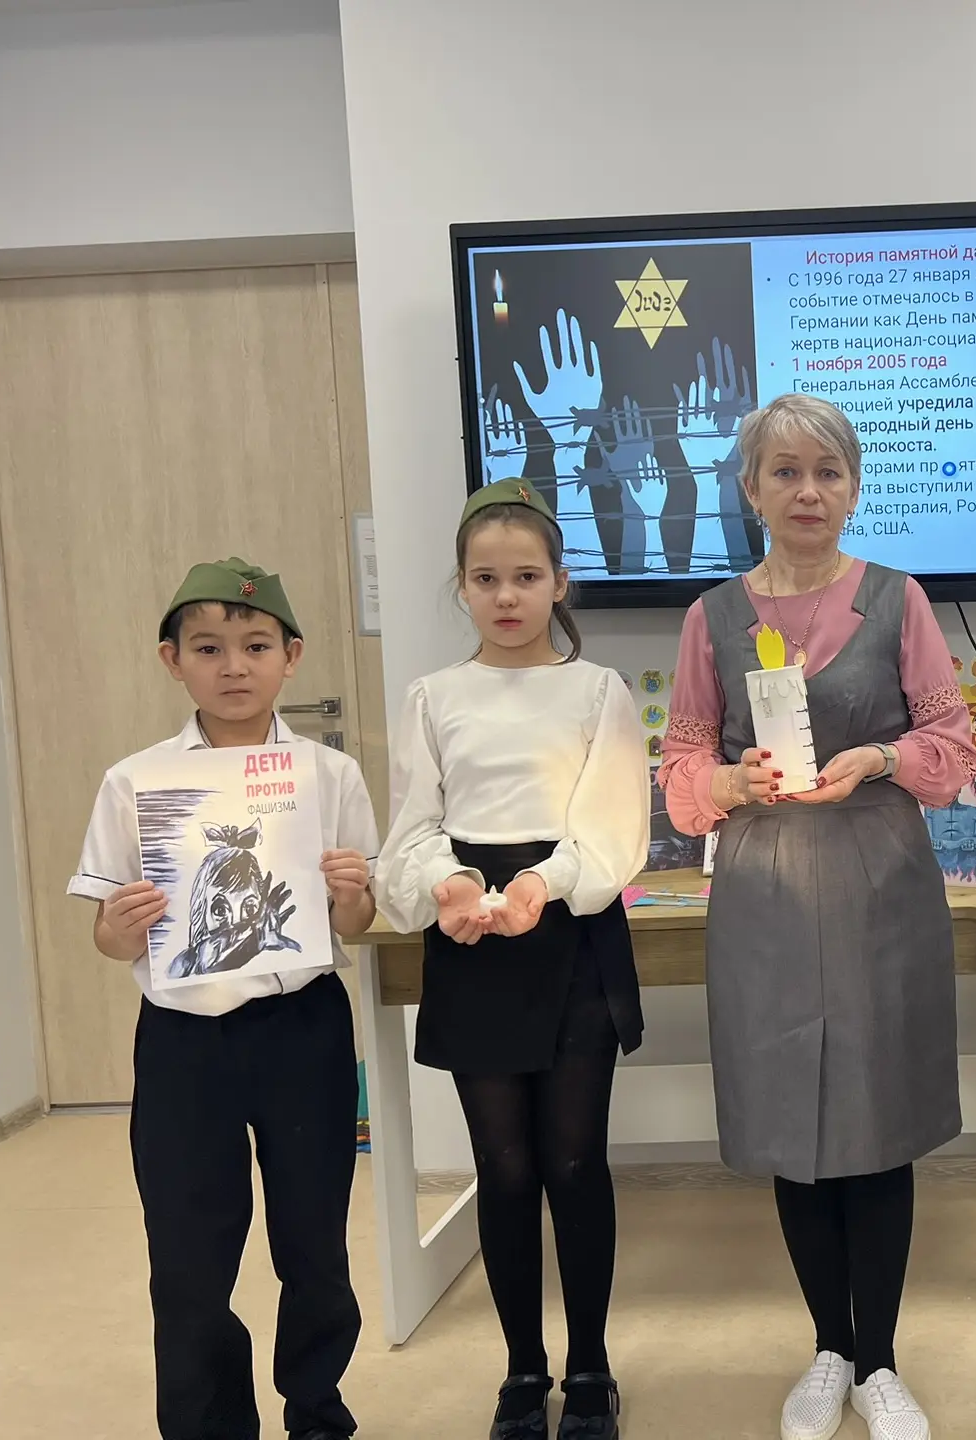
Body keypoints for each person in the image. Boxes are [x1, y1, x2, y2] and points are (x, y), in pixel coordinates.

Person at [659, 392, 976, 1440]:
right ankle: (828, 1348)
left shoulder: (898, 599)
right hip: (765, 891)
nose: (808, 491)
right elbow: (680, 766)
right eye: (786, 472)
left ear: (854, 487)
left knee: (877, 1124)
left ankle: (879, 1360)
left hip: (879, 881)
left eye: (828, 472)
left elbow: (953, 749)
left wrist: (879, 757)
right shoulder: (712, 617)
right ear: (749, 488)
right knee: (791, 1123)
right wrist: (730, 784)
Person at [69, 559, 378, 1440]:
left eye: (256, 646)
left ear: (292, 657)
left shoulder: (327, 774)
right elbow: (107, 936)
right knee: (188, 1256)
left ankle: (317, 1411)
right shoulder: (136, 782)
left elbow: (356, 924)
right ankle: (208, 1425)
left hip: (302, 1028)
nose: (234, 666)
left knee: (314, 1244)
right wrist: (120, 927)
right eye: (208, 648)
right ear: (173, 661)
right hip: (185, 1038)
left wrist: (350, 894)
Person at [375, 478, 649, 1440]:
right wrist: (447, 883)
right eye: (485, 578)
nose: (506, 595)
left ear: (559, 582)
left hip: (568, 928)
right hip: (472, 936)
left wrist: (543, 882)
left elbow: (614, 823)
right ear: (460, 586)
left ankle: (591, 1368)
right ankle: (523, 1372)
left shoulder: (598, 690)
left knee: (573, 1160)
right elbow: (411, 829)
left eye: (526, 576)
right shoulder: (432, 697)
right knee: (502, 1166)